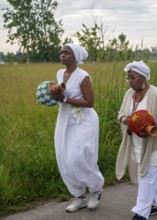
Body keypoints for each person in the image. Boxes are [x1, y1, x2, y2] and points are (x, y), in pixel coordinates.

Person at [50, 44, 104, 212]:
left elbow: (90, 102)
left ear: (75, 57)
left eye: (67, 53)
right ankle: (79, 196)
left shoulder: (83, 76)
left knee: (79, 157)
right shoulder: (60, 73)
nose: (63, 55)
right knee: (64, 157)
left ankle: (95, 190)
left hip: (82, 120)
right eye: (62, 52)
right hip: (64, 119)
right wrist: (51, 95)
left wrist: (64, 100)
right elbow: (58, 95)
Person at [116, 61, 157, 220]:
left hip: (154, 144)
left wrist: (155, 130)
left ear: (143, 77)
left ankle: (141, 213)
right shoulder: (129, 94)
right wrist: (126, 119)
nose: (130, 81)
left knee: (146, 175)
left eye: (133, 78)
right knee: (145, 175)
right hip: (135, 143)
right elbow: (120, 113)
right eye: (128, 78)